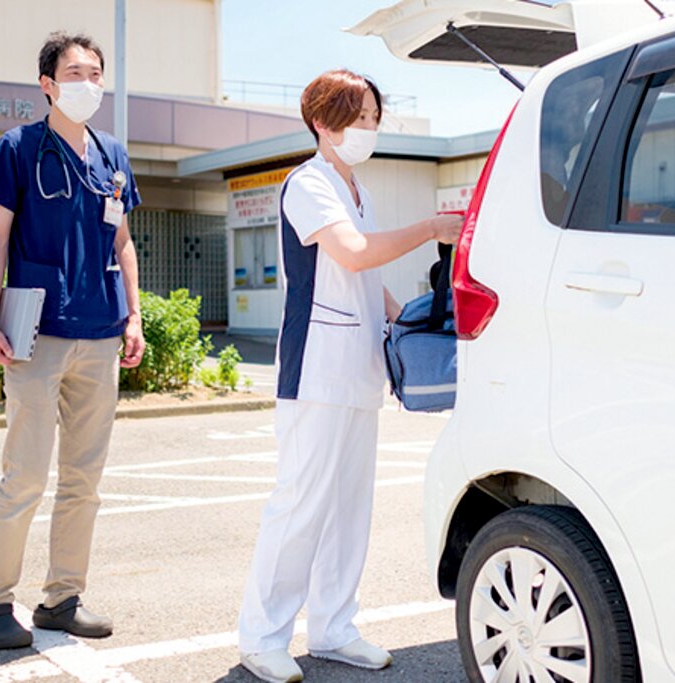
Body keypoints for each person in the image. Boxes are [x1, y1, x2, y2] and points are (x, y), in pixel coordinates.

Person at [237, 70, 462, 683]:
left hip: (358, 368)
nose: (366, 129)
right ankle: (262, 636)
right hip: (314, 370)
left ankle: (334, 628)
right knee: (300, 504)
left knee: (348, 509)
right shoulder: (309, 183)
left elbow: (363, 274)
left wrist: (403, 317)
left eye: (371, 118)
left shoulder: (352, 186)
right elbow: (355, 251)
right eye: (354, 118)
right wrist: (431, 229)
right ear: (321, 123)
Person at [0, 31, 143, 650]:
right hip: (34, 335)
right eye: (75, 72)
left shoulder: (113, 154)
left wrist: (134, 317)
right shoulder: (17, 149)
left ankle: (62, 598)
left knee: (84, 481)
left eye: (96, 73)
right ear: (47, 83)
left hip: (100, 334)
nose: (88, 83)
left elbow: (121, 243)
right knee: (25, 477)